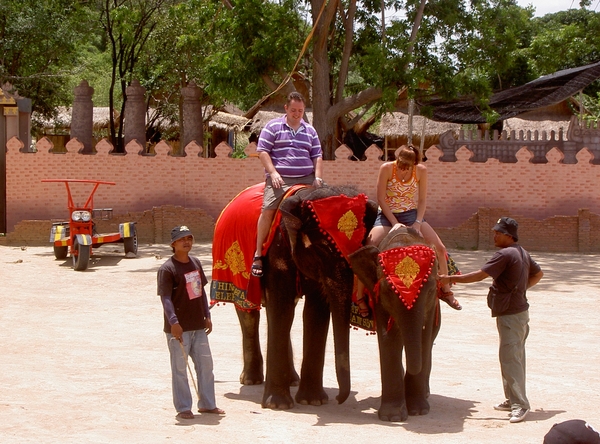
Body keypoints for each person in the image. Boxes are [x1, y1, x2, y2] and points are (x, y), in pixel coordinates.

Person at [439, 217, 544, 424]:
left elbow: (480, 275)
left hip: (511, 314)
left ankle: (520, 405)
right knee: (511, 356)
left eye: (498, 232)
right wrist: (519, 291)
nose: (494, 235)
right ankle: (511, 398)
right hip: (517, 312)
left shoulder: (505, 254)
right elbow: (539, 274)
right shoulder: (521, 252)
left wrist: (450, 278)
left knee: (511, 358)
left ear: (508, 236)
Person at [355, 144, 461, 314]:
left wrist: (418, 222)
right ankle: (360, 297)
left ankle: (446, 290)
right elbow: (381, 198)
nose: (403, 168)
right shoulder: (387, 168)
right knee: (370, 245)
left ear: (414, 163)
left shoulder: (421, 171)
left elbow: (422, 200)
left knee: (440, 248)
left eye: (407, 166)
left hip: (411, 214)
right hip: (388, 214)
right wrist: (394, 222)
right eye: (401, 164)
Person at [251, 91, 323, 277]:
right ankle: (258, 253)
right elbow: (263, 152)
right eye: (293, 110)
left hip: (307, 178)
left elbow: (317, 156)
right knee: (268, 209)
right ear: (286, 108)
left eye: (300, 110)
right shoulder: (273, 127)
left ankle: (324, 251)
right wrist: (273, 173)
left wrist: (318, 177)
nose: (297, 113)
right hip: (280, 179)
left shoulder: (310, 130)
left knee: (325, 207)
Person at [157, 225, 225, 420]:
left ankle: (208, 404)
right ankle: (183, 407)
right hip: (179, 328)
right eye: (182, 239)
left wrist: (207, 316)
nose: (187, 242)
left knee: (206, 366)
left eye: (189, 238)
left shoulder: (195, 263)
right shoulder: (167, 269)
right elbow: (166, 299)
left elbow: (200, 292)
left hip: (198, 326)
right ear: (173, 244)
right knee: (180, 369)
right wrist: (173, 323)